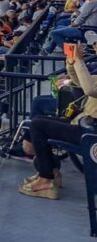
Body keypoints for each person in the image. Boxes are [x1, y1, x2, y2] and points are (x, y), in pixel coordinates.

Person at [20, 43, 97, 200]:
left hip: (90, 132)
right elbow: (79, 83)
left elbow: (90, 89)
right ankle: (51, 172)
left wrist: (79, 61)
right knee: (38, 120)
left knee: (38, 125)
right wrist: (71, 61)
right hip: (84, 123)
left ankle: (46, 179)